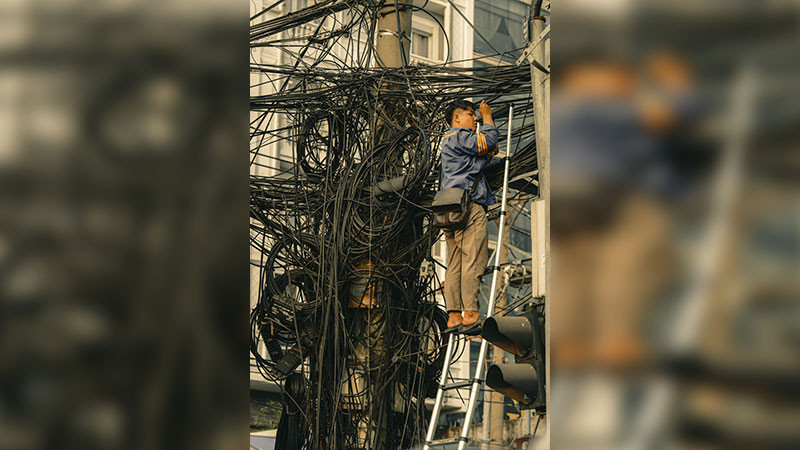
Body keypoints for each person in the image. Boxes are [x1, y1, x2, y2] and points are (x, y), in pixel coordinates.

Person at [440, 99, 499, 329]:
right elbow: (488, 141)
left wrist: (487, 151)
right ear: (456, 118)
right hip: (468, 206)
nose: (475, 119)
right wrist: (487, 117)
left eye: (476, 115)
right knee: (473, 258)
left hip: (448, 208)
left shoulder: (449, 141)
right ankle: (471, 312)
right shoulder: (461, 136)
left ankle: (454, 315)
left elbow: (476, 160)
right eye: (470, 114)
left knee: (455, 261)